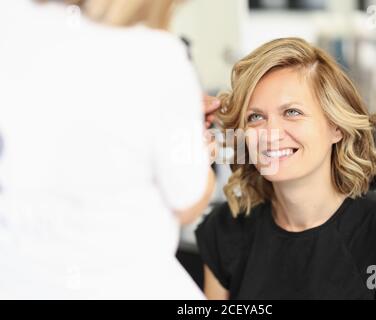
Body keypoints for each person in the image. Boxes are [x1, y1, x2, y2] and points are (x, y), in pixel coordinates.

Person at [0, 0, 215, 299]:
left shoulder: (12, 30)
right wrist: (196, 147)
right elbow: (187, 202)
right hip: (119, 283)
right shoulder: (156, 58)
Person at [196, 37, 376, 300]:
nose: (270, 133)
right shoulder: (226, 230)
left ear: (336, 127)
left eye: (292, 112)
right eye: (256, 117)